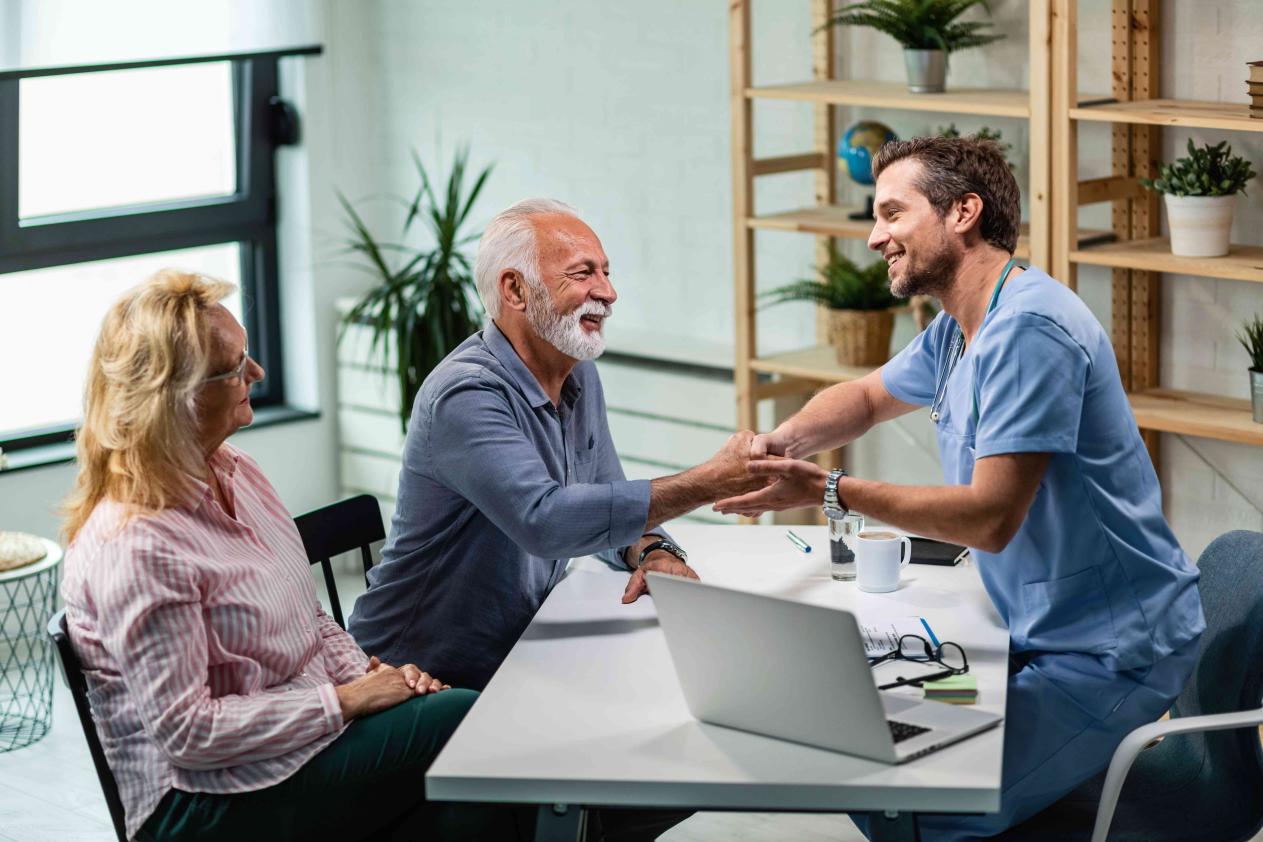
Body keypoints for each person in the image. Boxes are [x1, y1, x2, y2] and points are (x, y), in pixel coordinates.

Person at [714, 137, 1205, 840]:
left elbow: (988, 518)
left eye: (891, 213)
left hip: (1109, 649)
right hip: (1033, 628)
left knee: (923, 810)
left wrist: (830, 490)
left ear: (961, 213)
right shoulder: (961, 327)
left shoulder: (1029, 329)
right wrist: (776, 446)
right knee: (880, 753)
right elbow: (864, 397)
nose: (874, 236)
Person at [60, 271, 521, 841]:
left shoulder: (241, 472)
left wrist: (378, 679)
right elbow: (190, 734)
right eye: (233, 369)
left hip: (293, 749)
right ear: (173, 399)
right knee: (468, 723)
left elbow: (310, 620)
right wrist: (350, 700)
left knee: (467, 776)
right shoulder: (136, 544)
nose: (255, 373)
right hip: (201, 802)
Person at [348, 198, 759, 693]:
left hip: (517, 655)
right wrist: (709, 481)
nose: (608, 292)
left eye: (606, 272)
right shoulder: (465, 395)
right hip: (415, 680)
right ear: (515, 290)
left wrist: (652, 551)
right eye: (583, 274)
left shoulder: (577, 373)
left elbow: (606, 501)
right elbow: (548, 521)